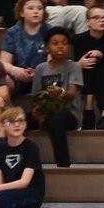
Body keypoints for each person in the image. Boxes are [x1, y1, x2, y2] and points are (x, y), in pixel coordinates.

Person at [29, 28, 82, 168]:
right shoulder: (40, 68)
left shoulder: (74, 66)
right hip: (45, 114)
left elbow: (71, 94)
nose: (60, 46)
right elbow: (35, 97)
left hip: (69, 115)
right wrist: (36, 112)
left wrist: (61, 93)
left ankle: (63, 166)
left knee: (56, 119)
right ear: (47, 48)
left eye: (64, 43)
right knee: (14, 120)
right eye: (55, 43)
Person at [74, 5, 104, 130]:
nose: (102, 21)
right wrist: (79, 64)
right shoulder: (77, 40)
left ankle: (89, 108)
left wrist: (101, 54)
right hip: (83, 76)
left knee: (99, 66)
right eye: (97, 18)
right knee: (90, 66)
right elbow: (69, 65)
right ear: (88, 22)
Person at [0, 0, 48, 96]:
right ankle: (10, 111)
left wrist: (38, 73)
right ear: (21, 12)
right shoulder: (13, 32)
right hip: (17, 78)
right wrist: (15, 71)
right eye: (30, 8)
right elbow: (3, 63)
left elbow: (53, 63)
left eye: (40, 8)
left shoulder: (50, 31)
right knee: (3, 80)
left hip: (43, 78)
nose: (36, 11)